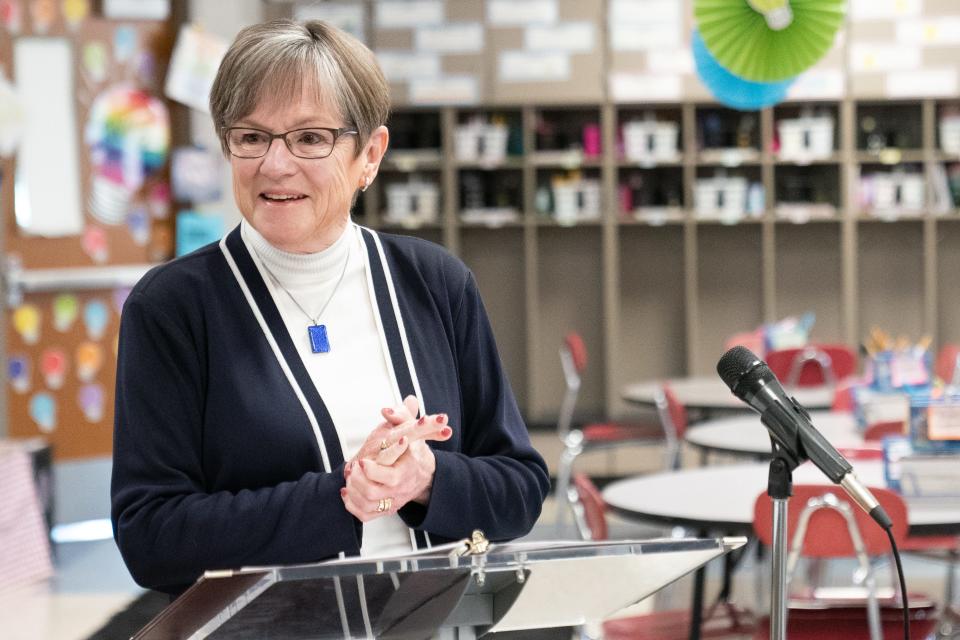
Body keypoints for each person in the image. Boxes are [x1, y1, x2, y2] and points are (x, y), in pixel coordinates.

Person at [111, 18, 549, 595]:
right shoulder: (173, 308)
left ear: (370, 154)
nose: (274, 164)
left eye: (310, 138)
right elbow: (151, 538)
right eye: (251, 137)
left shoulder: (435, 283)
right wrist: (341, 494)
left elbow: (520, 488)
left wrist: (426, 477)